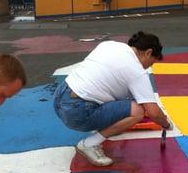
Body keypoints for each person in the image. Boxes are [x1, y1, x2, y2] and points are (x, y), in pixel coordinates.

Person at [54, 31, 171, 166]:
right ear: (148, 53)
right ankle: (89, 144)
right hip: (77, 112)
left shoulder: (109, 45)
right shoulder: (137, 70)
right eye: (151, 63)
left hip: (60, 97)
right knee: (138, 110)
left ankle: (107, 128)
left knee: (119, 93)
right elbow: (153, 113)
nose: (149, 67)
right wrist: (166, 124)